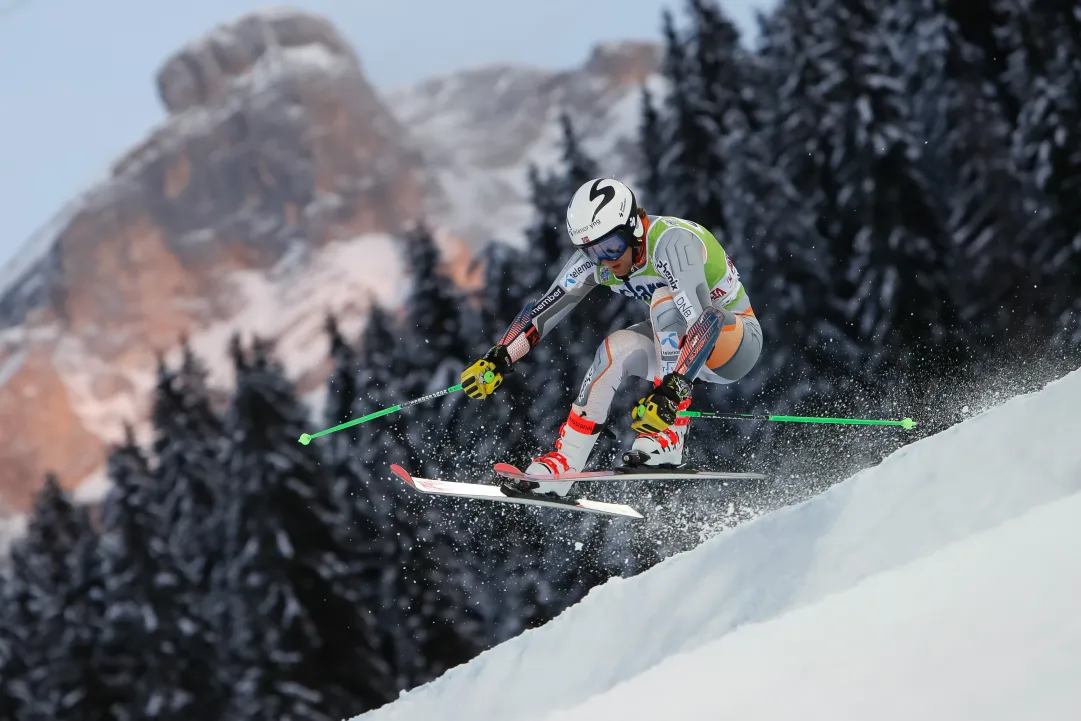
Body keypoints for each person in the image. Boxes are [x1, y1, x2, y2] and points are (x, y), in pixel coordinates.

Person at [460, 178, 763, 497]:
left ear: (634, 227)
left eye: (611, 247)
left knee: (665, 301)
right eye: (592, 252)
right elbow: (545, 311)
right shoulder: (600, 261)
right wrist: (499, 358)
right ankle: (566, 464)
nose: (606, 260)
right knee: (612, 351)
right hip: (680, 351)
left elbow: (705, 320)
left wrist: (671, 395)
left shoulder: (672, 244)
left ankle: (671, 434)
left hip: (734, 343)